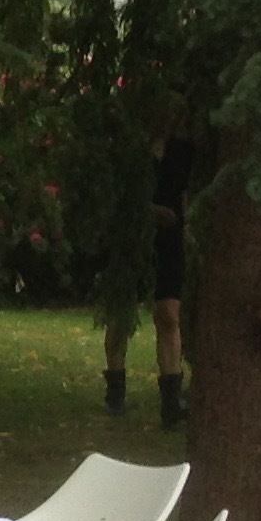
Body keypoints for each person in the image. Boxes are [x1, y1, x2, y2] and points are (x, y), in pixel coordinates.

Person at [104, 132, 197, 427]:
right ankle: (115, 390)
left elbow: (185, 193)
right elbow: (116, 196)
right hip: (132, 238)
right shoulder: (130, 147)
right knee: (122, 315)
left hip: (170, 241)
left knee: (169, 315)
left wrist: (187, 226)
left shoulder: (182, 148)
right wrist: (148, 212)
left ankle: (171, 401)